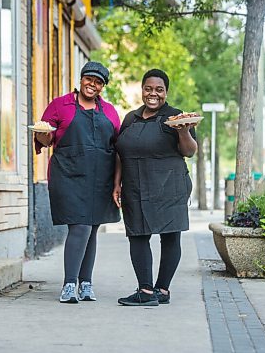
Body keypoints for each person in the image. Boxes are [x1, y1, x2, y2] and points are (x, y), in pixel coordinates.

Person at [35, 61, 120, 304]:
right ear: (81, 79)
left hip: (100, 179)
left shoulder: (110, 111)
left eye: (98, 82)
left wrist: (117, 183)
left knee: (92, 229)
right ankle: (69, 284)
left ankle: (86, 284)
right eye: (89, 79)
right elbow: (46, 137)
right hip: (68, 176)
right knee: (80, 227)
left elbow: (118, 149)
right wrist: (41, 133)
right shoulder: (60, 105)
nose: (92, 85)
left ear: (102, 86)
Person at [113, 69, 198, 306]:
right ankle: (146, 291)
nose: (153, 94)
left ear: (166, 92)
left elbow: (189, 151)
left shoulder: (176, 117)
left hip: (169, 186)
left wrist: (183, 131)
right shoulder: (130, 118)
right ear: (142, 90)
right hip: (135, 186)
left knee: (170, 236)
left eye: (159, 89)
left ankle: (163, 289)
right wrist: (116, 183)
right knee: (137, 235)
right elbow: (120, 152)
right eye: (148, 88)